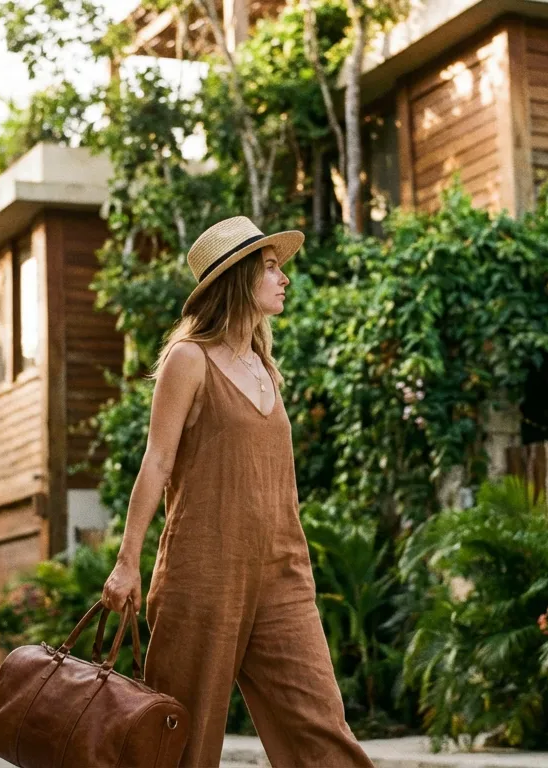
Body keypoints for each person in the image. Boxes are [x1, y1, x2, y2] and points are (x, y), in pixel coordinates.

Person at [100, 216, 374, 768]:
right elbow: (156, 462)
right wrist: (127, 562)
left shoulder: (266, 370)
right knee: (183, 745)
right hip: (201, 575)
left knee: (322, 730)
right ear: (239, 278)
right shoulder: (189, 359)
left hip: (282, 575)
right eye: (271, 268)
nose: (284, 279)